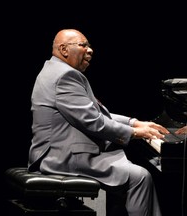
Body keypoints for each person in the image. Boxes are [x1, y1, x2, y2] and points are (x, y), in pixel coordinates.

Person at [27, 29, 171, 216]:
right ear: (63, 49)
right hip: (61, 158)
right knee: (140, 177)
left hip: (59, 152)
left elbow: (93, 113)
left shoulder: (55, 70)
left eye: (89, 45)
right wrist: (134, 133)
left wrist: (134, 123)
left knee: (128, 167)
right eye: (83, 45)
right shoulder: (65, 76)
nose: (90, 50)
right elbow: (93, 121)